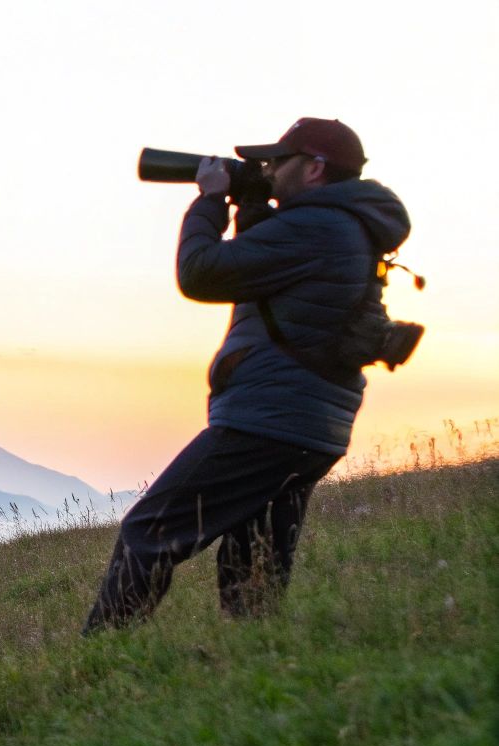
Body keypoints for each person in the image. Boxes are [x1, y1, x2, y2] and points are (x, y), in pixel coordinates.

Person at [83, 118, 411, 632]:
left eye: (279, 161)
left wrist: (210, 202)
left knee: (148, 532)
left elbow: (203, 272)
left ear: (315, 168)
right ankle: (255, 659)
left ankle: (96, 664)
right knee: (253, 562)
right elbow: (261, 272)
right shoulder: (340, 225)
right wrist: (254, 207)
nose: (269, 169)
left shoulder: (317, 226)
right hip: (309, 422)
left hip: (271, 416)